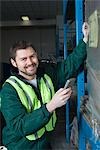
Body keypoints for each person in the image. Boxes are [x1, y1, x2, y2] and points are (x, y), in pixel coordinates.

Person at [0, 22, 89, 150]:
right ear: (14, 63)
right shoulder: (8, 90)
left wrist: (85, 40)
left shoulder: (46, 74)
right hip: (20, 146)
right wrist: (52, 105)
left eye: (32, 56)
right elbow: (19, 126)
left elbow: (69, 65)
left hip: (44, 141)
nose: (30, 62)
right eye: (23, 59)